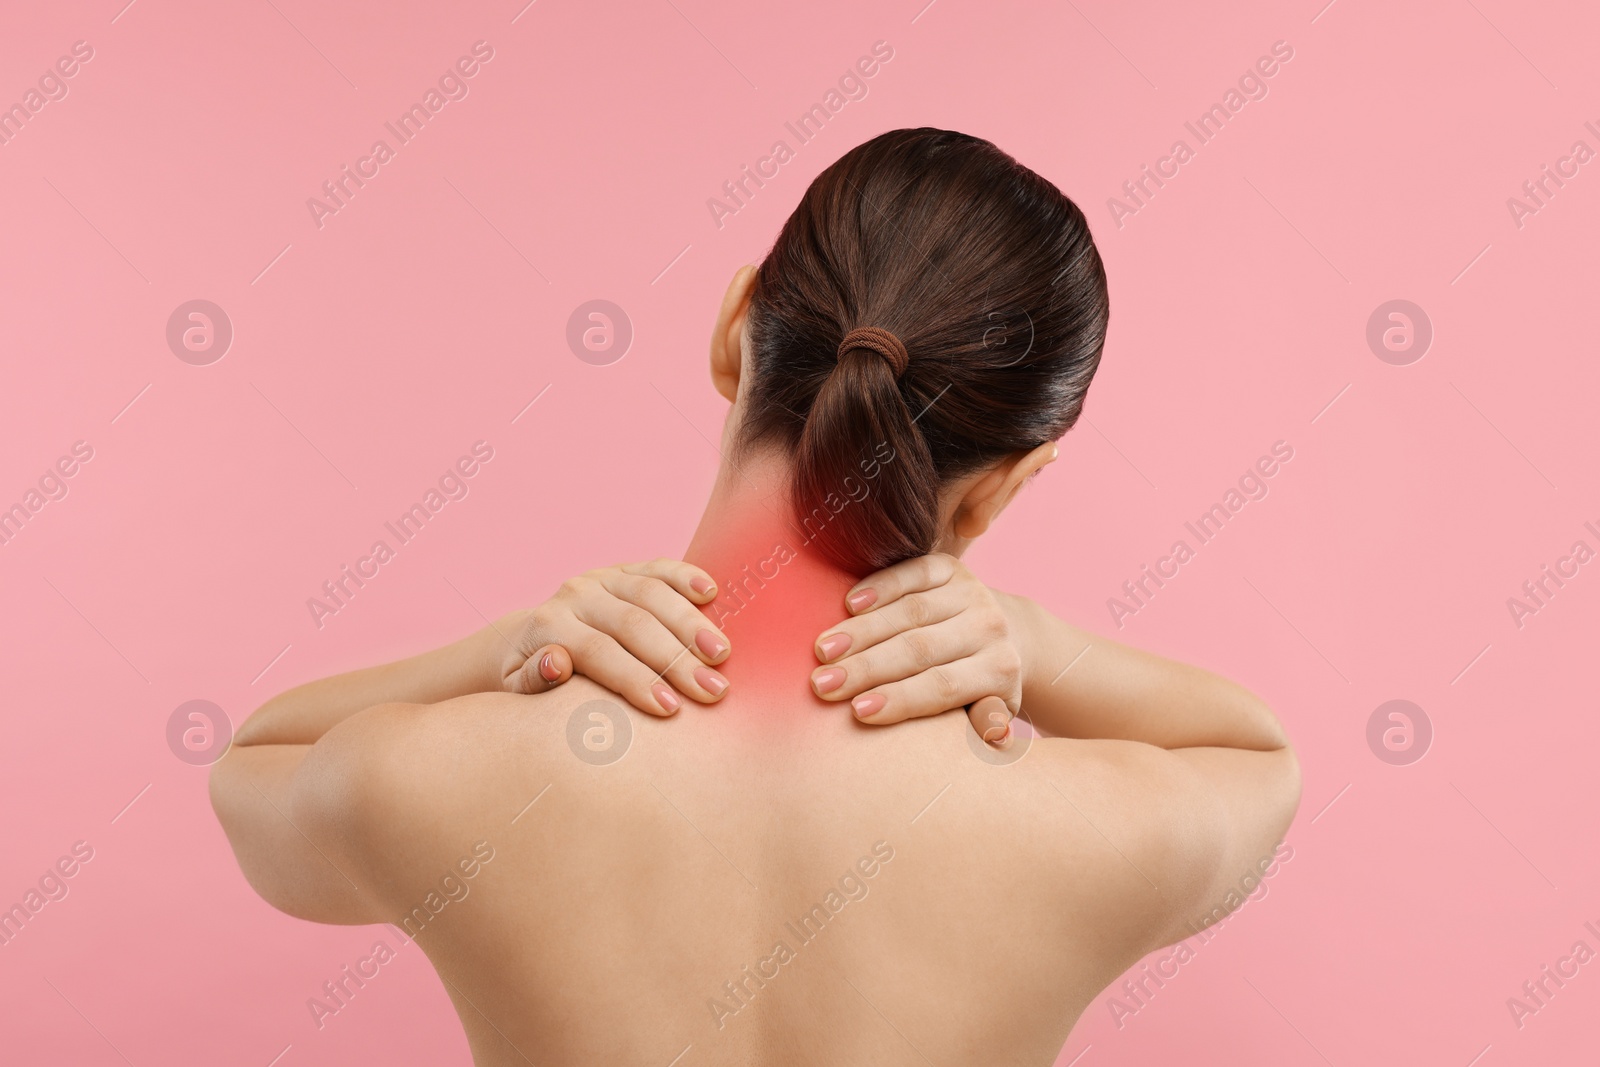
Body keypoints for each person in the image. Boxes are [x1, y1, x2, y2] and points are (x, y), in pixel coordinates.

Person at [211, 128, 1300, 1066]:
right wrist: (1027, 635)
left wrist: (506, 649)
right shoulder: (1091, 825)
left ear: (736, 324)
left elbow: (251, 769)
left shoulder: (450, 777)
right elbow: (1260, 762)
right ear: (1007, 481)